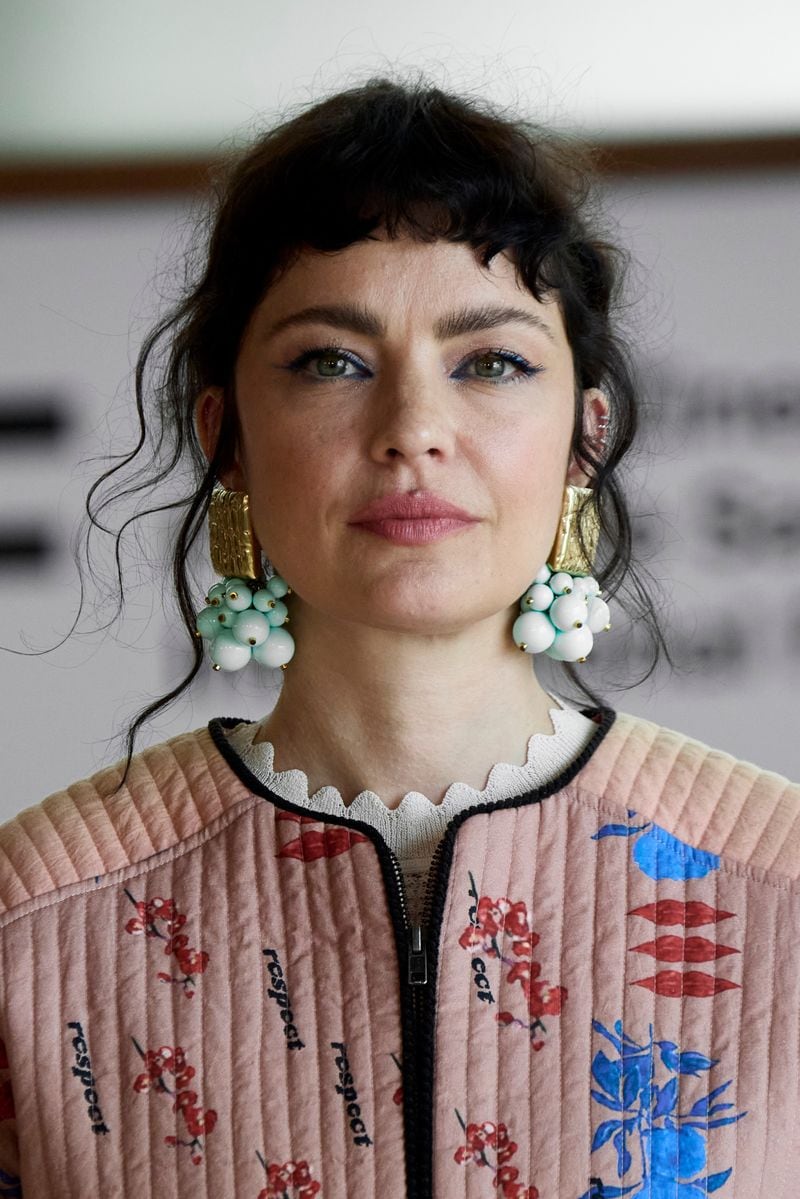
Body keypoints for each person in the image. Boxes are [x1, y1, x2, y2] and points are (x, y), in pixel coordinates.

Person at [0, 73, 797, 1199]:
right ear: (221, 434)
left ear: (585, 434)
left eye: (491, 362)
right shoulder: (30, 919)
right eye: (332, 360)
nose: (414, 429)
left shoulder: (783, 883)